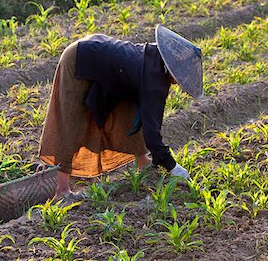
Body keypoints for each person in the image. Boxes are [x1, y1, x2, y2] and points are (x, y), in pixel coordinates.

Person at [38, 25, 203, 200]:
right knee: (72, 120)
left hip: (96, 49)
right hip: (79, 57)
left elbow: (150, 119)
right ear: (173, 66)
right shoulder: (154, 80)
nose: (178, 82)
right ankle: (62, 190)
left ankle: (143, 163)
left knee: (128, 112)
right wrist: (172, 166)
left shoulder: (155, 56)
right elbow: (152, 133)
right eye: (181, 76)